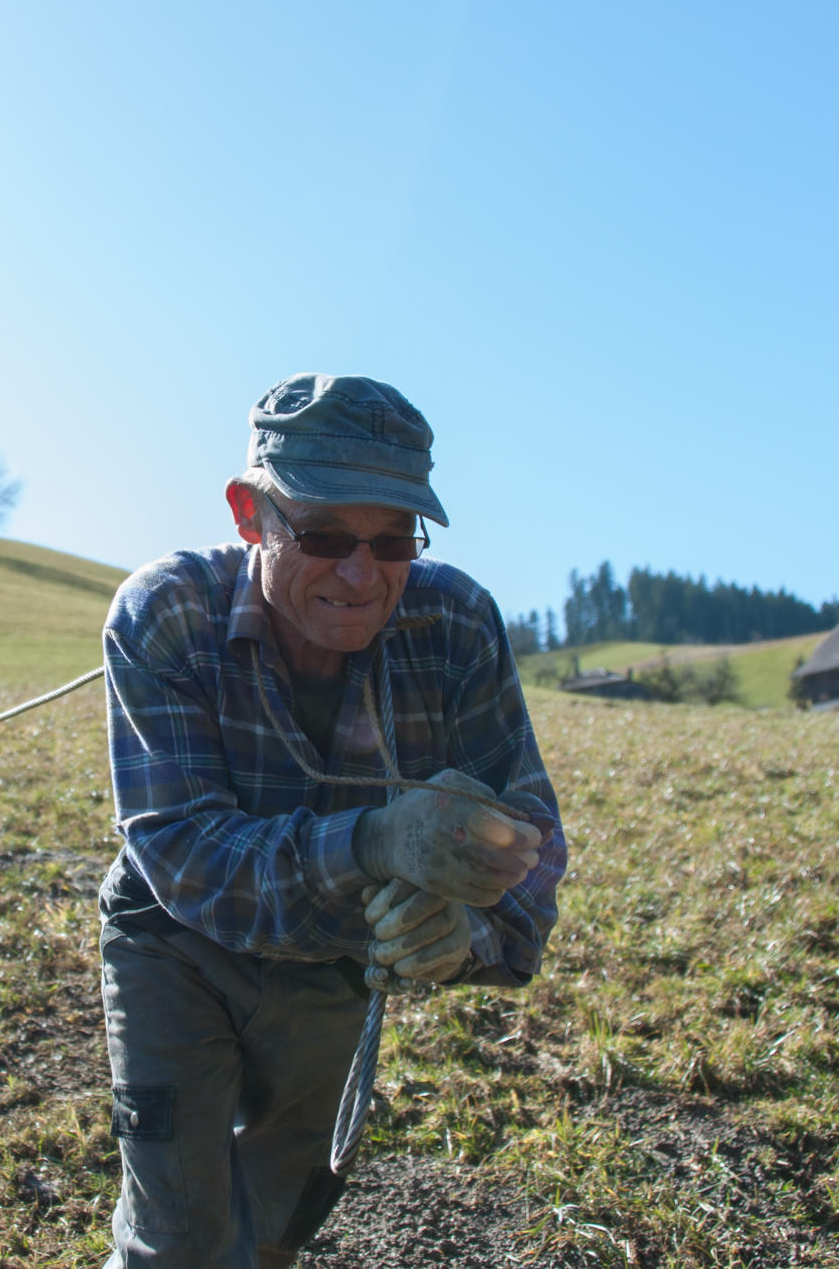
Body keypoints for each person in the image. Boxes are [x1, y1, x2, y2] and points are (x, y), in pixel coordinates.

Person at [97, 373, 567, 1268]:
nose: (361, 573)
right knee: (182, 1244)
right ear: (249, 513)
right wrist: (374, 841)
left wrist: (465, 928)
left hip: (335, 963)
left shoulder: (456, 623)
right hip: (176, 945)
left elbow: (532, 840)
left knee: (271, 1232)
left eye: (393, 541)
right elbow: (184, 856)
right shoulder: (167, 615)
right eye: (322, 535)